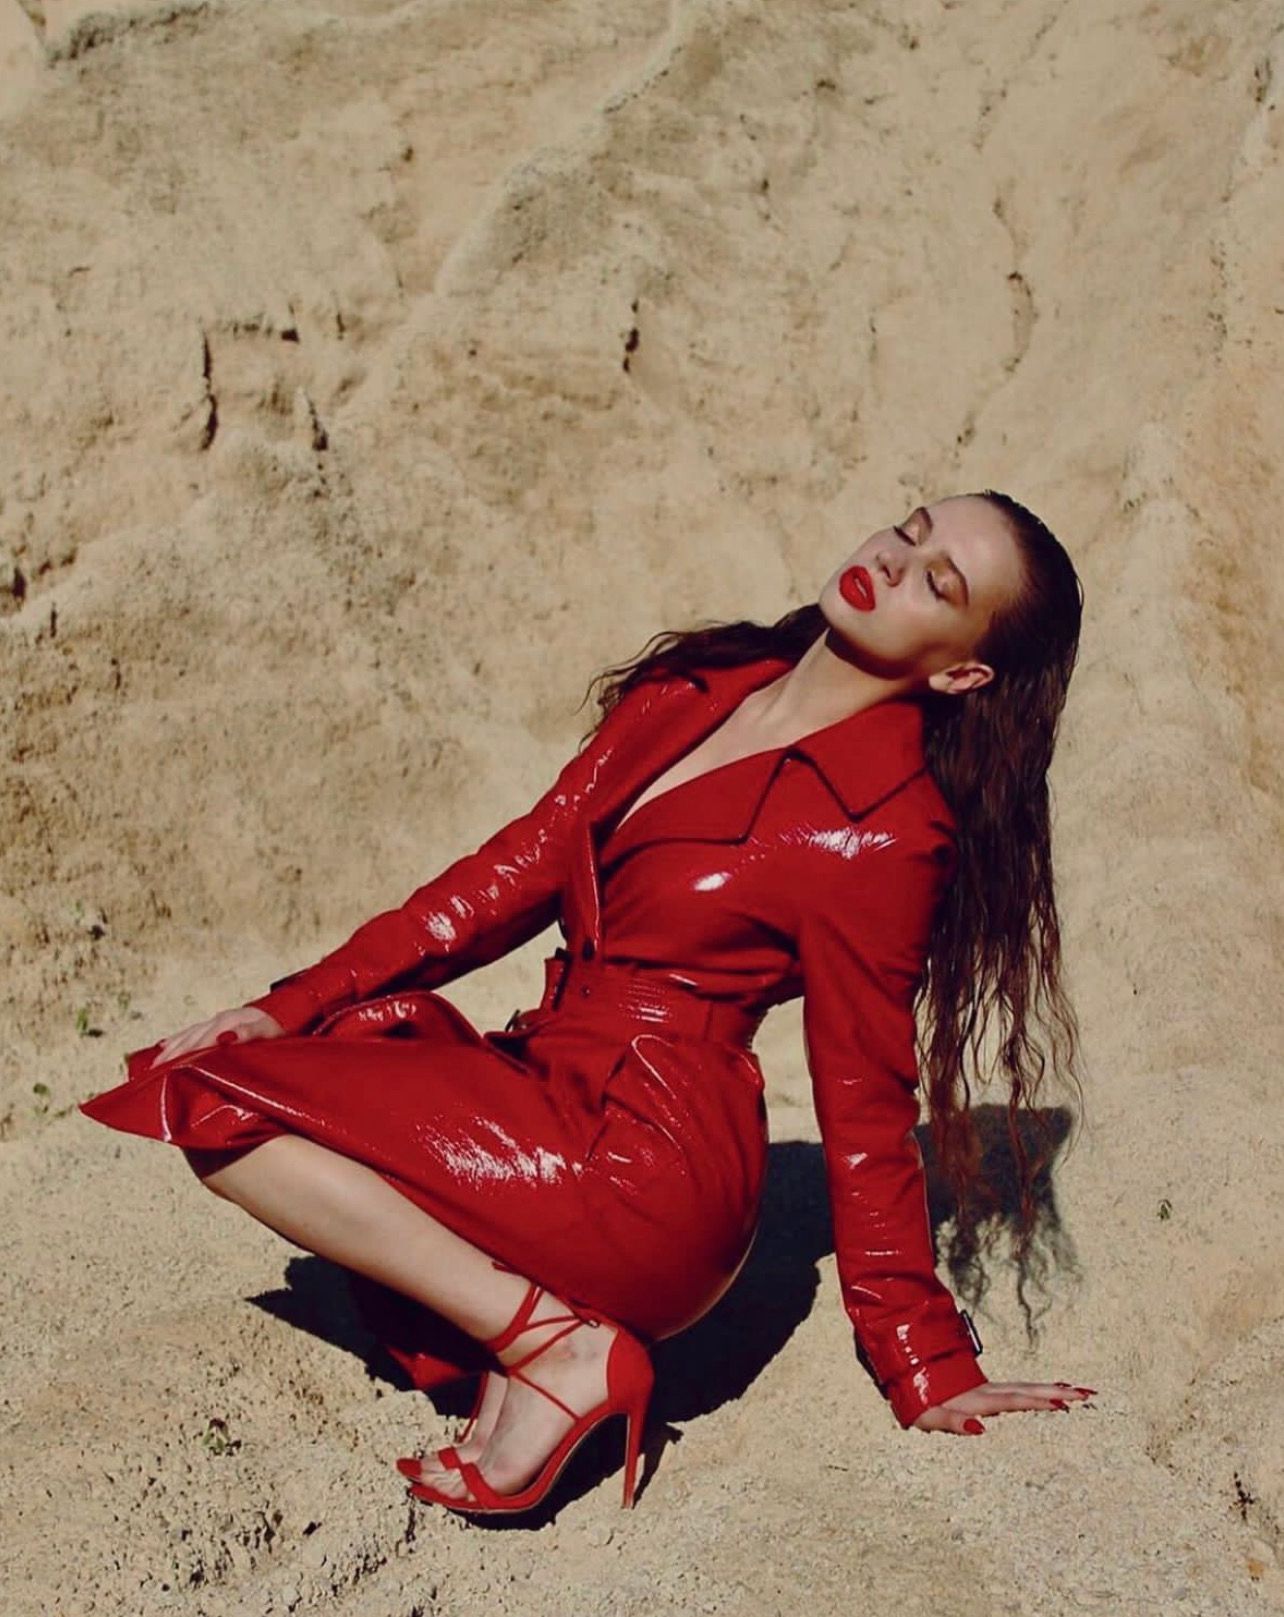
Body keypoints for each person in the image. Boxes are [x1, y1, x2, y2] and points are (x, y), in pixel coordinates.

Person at [79, 488, 1096, 1518]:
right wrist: (292, 1004)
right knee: (282, 1060)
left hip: (653, 1160)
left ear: (963, 672)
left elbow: (865, 1098)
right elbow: (518, 868)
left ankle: (554, 1348)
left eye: (937, 583)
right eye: (909, 530)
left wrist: (922, 1358)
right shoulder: (702, 682)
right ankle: (542, 1335)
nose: (892, 561)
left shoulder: (884, 831)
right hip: (547, 1074)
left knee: (221, 1107)